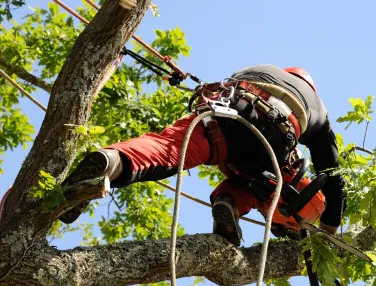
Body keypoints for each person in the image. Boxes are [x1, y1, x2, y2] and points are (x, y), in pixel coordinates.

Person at [59, 64, 345, 246]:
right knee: (278, 182)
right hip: (273, 140)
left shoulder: (261, 69)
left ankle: (111, 161)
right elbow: (333, 176)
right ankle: (231, 203)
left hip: (224, 116)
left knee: (167, 148)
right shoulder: (317, 108)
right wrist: (329, 231)